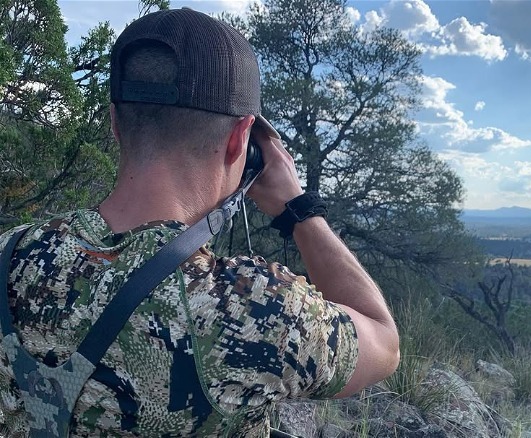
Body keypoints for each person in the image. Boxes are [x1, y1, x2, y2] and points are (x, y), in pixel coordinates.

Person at [0, 8, 399, 437]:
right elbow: (384, 342)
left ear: (116, 124)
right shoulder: (256, 309)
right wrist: (299, 209)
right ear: (238, 140)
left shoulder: (12, 252)